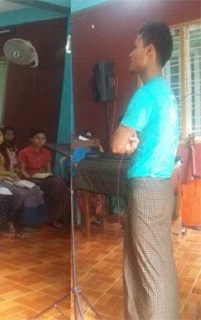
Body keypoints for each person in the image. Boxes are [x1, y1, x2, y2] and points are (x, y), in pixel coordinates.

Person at [110, 21, 179, 320]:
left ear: (149, 51)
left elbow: (116, 144)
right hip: (162, 186)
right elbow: (150, 139)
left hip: (147, 187)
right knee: (147, 267)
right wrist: (134, 143)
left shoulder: (146, 93)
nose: (130, 53)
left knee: (151, 274)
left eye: (135, 46)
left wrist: (127, 144)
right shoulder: (166, 93)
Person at [0, 126, 47, 236]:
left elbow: (10, 168)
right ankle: (18, 220)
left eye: (0, 135)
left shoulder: (5, 149)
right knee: (22, 193)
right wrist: (8, 174)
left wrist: (15, 176)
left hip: (8, 178)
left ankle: (34, 220)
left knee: (34, 190)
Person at [17, 130, 68, 229]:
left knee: (61, 186)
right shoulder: (24, 152)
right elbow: (21, 170)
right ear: (31, 139)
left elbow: (48, 169)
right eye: (37, 138)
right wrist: (30, 178)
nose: (40, 141)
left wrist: (48, 175)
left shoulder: (47, 153)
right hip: (30, 177)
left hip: (44, 178)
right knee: (57, 186)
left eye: (43, 139)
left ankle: (53, 218)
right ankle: (45, 218)